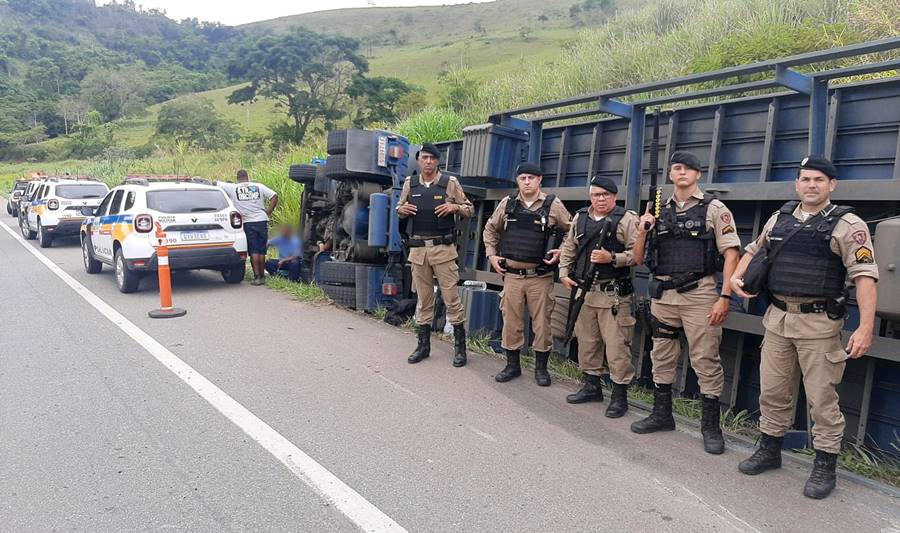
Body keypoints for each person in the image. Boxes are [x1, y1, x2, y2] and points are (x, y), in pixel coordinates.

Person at [730, 155, 878, 499]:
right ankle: (770, 449)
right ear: (797, 184)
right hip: (778, 320)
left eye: (818, 180)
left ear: (832, 185)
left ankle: (825, 464)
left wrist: (865, 328)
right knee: (772, 391)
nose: (811, 185)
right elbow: (754, 250)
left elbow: (865, 277)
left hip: (819, 325)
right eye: (805, 179)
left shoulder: (848, 225)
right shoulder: (779, 218)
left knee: (822, 399)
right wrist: (737, 276)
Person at [631, 151, 740, 454]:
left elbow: (732, 254)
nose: (682, 173)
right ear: (670, 174)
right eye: (677, 168)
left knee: (705, 358)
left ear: (697, 174)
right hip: (664, 295)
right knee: (661, 355)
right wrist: (642, 231)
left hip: (699, 295)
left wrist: (725, 296)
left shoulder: (714, 209)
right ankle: (662, 414)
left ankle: (710, 427)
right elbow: (638, 258)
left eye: (688, 169)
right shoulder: (657, 211)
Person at [482, 163, 572, 386]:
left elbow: (572, 231)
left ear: (539, 179)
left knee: (542, 325)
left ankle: (541, 369)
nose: (527, 182)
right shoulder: (508, 203)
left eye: (531, 177)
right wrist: (491, 255)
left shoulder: (553, 204)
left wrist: (562, 251)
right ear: (518, 180)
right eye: (522, 178)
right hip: (512, 276)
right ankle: (512, 366)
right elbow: (490, 229)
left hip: (539, 277)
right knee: (511, 323)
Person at [558, 176, 639, 417]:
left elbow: (637, 254)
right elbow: (569, 247)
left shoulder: (626, 219)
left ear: (614, 196)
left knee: (617, 347)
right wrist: (563, 272)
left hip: (613, 295)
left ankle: (619, 396)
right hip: (584, 291)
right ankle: (591, 386)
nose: (600, 199)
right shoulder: (581, 217)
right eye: (596, 195)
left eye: (605, 195)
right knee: (587, 342)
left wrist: (612, 258)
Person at [396, 143, 474, 367]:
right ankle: (423, 346)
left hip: (443, 250)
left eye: (432, 158)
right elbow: (399, 208)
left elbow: (469, 209)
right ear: (419, 160)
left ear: (438, 161)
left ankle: (460, 349)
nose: (428, 161)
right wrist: (401, 210)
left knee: (451, 299)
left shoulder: (449, 183)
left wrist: (454, 208)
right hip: (418, 250)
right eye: (424, 157)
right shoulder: (410, 183)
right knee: (424, 300)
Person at [218, 169, 278, 286]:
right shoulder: (258, 186)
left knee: (254, 251)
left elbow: (215, 183)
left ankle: (257, 277)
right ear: (247, 177)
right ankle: (262, 277)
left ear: (237, 178)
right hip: (262, 220)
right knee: (262, 251)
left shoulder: (233, 187)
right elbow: (274, 196)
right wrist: (268, 212)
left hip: (248, 223)